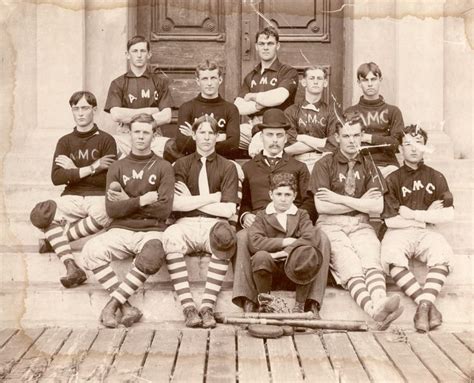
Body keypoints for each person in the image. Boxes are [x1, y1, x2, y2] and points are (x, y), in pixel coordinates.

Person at [232, 108, 330, 319]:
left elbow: (309, 202)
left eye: (279, 135)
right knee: (241, 236)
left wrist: (296, 225)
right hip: (260, 226)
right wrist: (245, 215)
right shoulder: (249, 167)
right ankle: (248, 299)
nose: (274, 140)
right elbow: (244, 202)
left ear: (286, 138)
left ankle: (312, 302)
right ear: (261, 136)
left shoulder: (299, 166)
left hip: (293, 224)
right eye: (269, 135)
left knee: (321, 236)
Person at [310, 110, 403, 330]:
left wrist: (338, 198)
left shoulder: (368, 163)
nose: (352, 141)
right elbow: (322, 206)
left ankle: (380, 301)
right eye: (346, 136)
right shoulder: (325, 163)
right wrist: (360, 201)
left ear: (362, 136)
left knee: (371, 257)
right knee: (349, 264)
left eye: (356, 135)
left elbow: (377, 206)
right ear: (337, 138)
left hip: (361, 223)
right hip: (331, 224)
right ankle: (374, 311)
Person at [82, 113, 175, 328]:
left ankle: (113, 305)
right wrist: (142, 200)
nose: (141, 137)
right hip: (121, 228)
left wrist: (128, 201)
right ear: (129, 134)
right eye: (137, 132)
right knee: (90, 250)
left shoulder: (163, 167)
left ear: (154, 135)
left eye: (146, 132)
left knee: (153, 253)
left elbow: (164, 210)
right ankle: (126, 307)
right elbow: (112, 209)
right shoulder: (117, 167)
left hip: (152, 230)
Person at [30, 91, 116, 288]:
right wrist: (92, 167)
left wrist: (73, 169)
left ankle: (55, 241)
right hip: (72, 197)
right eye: (76, 109)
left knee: (109, 211)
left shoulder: (106, 140)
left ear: (94, 110)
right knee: (42, 214)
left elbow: (108, 178)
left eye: (85, 108)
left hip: (98, 197)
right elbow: (57, 177)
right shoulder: (65, 141)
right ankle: (72, 267)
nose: (80, 113)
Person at [163, 115, 239, 328]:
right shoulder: (180, 165)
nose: (206, 138)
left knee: (225, 237)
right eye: (202, 133)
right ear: (194, 135)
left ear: (217, 137)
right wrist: (213, 197)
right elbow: (176, 205)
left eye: (210, 133)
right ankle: (188, 307)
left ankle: (207, 306)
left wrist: (192, 201)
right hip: (185, 223)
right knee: (169, 237)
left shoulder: (228, 167)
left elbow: (228, 209)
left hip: (213, 223)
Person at [381, 124, 454, 332]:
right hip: (399, 232)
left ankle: (422, 307)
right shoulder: (393, 178)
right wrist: (427, 217)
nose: (413, 149)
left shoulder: (436, 176)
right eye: (408, 144)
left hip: (426, 231)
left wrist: (414, 215)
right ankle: (428, 305)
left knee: (443, 252)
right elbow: (391, 221)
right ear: (401, 149)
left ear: (425, 147)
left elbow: (448, 214)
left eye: (418, 144)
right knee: (391, 255)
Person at [248, 173, 323, 312]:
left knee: (307, 254)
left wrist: (285, 252)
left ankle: (299, 306)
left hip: (296, 272)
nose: (283, 199)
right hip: (270, 271)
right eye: (279, 194)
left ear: (294, 196)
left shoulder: (301, 214)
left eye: (288, 195)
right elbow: (255, 242)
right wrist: (285, 241)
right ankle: (266, 304)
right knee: (260, 257)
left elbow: (309, 238)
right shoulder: (262, 216)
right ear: (271, 194)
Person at [104, 35, 173, 158]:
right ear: (127, 55)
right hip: (125, 136)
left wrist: (129, 115)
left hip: (153, 136)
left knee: (172, 148)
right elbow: (116, 115)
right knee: (108, 145)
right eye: (135, 51)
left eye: (143, 51)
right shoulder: (118, 83)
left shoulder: (159, 82)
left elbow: (167, 116)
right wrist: (150, 111)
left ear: (149, 54)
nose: (139, 55)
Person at [234, 26, 299, 154]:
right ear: (256, 46)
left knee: (257, 148)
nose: (265, 47)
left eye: (270, 44)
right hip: (253, 127)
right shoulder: (251, 75)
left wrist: (253, 97)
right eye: (261, 44)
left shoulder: (288, 72)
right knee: (223, 137)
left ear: (277, 46)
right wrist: (261, 105)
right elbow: (239, 107)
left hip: (277, 128)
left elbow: (279, 97)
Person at [344, 62, 405, 177]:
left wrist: (369, 138)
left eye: (373, 79)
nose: (370, 84)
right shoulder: (350, 112)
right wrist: (383, 139)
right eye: (365, 80)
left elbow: (396, 144)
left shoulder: (393, 111)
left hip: (387, 166)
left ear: (380, 80)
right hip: (358, 166)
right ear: (359, 83)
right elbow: (345, 143)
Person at [175, 60, 240, 159]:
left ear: (220, 80)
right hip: (193, 161)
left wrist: (196, 137)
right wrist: (220, 137)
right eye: (205, 79)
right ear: (198, 81)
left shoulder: (231, 109)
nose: (209, 83)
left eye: (213, 78)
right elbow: (182, 144)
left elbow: (232, 145)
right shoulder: (187, 107)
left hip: (224, 163)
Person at [284, 66, 337, 172]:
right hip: (296, 159)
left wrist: (301, 137)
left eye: (319, 78)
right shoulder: (291, 111)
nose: (316, 82)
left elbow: (334, 144)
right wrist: (322, 142)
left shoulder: (332, 112)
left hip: (322, 159)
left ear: (325, 83)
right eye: (312, 78)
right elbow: (289, 145)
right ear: (304, 82)